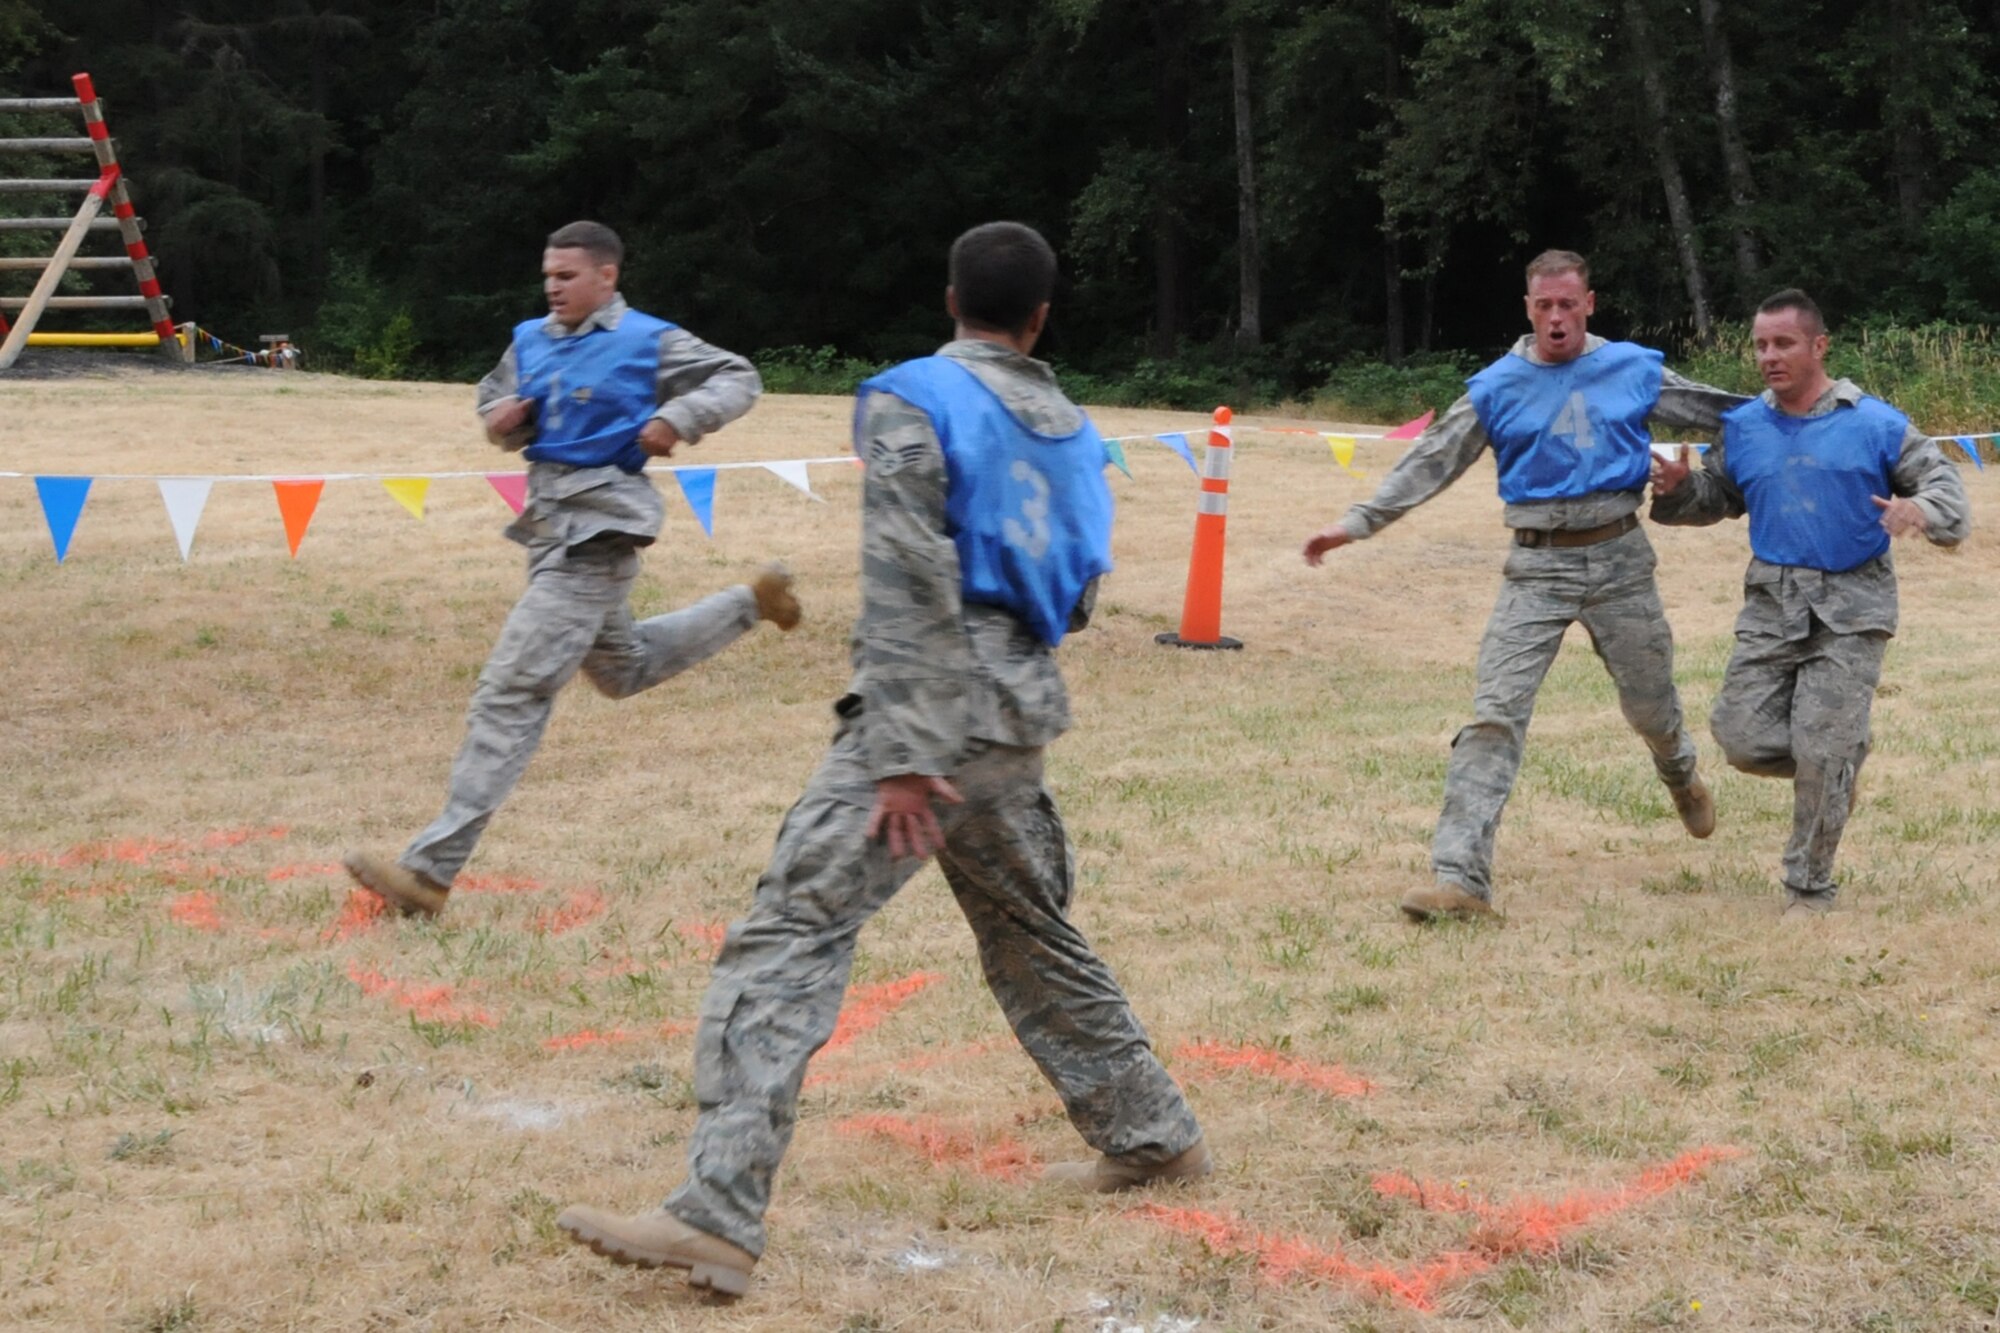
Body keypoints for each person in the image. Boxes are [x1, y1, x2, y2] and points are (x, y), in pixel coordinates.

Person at [554, 222, 1210, 1297]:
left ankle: (714, 1213)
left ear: (949, 295)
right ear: (1040, 318)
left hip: (930, 712)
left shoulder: (914, 398)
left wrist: (905, 752)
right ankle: (1150, 1130)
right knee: (1027, 928)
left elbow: (907, 572)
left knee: (789, 935)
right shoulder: (1072, 423)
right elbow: (1081, 586)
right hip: (1020, 707)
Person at [342, 220, 800, 919]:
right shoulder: (529, 339)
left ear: (607, 276)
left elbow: (740, 376)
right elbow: (492, 404)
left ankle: (428, 874)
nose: (552, 286)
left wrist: (678, 418)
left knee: (511, 693)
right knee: (624, 668)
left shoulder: (649, 341)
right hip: (547, 532)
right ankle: (751, 602)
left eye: (567, 275)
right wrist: (503, 421)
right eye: (548, 275)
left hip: (600, 534)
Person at [1302, 249, 1746, 922]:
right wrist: (1358, 523)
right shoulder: (1496, 386)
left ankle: (1679, 771)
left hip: (1621, 557)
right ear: (1528, 308)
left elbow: (1731, 415)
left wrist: (1817, 415)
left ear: (1590, 303)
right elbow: (1433, 458)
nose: (1558, 317)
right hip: (1535, 567)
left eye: (1570, 304)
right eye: (1545, 306)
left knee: (1650, 706)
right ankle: (1461, 880)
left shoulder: (1634, 367)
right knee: (1493, 715)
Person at [1650, 288, 1969, 915]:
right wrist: (1685, 488)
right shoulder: (1743, 429)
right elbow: (1719, 498)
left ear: (1819, 346)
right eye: (1761, 345)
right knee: (1739, 738)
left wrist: (1917, 508)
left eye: (1784, 343)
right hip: (1772, 605)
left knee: (1822, 749)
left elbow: (1946, 491)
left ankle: (1808, 885)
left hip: (1853, 610)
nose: (1770, 356)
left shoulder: (1875, 424)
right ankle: (1841, 766)